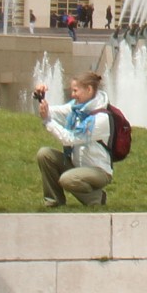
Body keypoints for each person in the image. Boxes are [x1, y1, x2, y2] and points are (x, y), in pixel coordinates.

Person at [36, 70, 114, 208]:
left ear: (89, 89)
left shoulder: (100, 118)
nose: (72, 95)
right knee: (45, 154)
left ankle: (96, 199)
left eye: (75, 91)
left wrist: (47, 122)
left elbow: (70, 139)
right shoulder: (77, 108)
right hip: (77, 165)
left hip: (99, 171)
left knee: (68, 179)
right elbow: (53, 112)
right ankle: (54, 201)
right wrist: (40, 97)